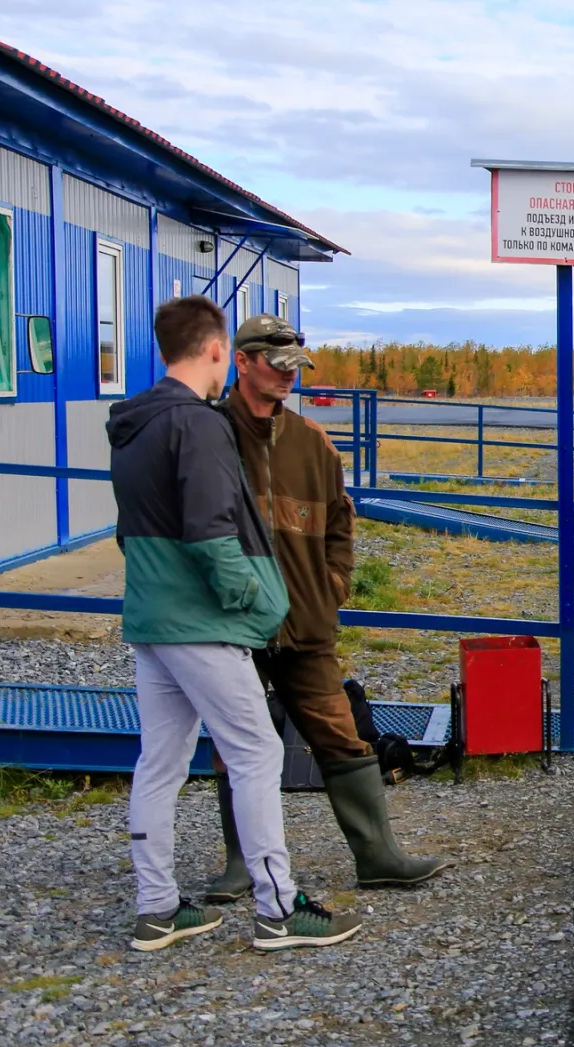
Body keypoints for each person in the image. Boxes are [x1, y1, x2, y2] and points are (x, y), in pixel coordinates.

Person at [109, 296, 362, 952]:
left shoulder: (136, 426)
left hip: (152, 620)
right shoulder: (198, 426)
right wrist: (261, 602)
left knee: (159, 762)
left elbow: (129, 532)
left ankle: (156, 905)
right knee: (258, 752)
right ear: (219, 351)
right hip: (202, 622)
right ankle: (278, 909)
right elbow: (212, 533)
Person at [199, 314, 449, 902]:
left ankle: (378, 855)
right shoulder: (208, 437)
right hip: (232, 624)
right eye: (276, 365)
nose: (288, 377)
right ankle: (243, 866)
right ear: (241, 361)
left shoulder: (312, 443)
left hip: (306, 623)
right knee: (236, 742)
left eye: (295, 368)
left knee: (341, 735)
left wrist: (333, 583)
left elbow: (340, 522)